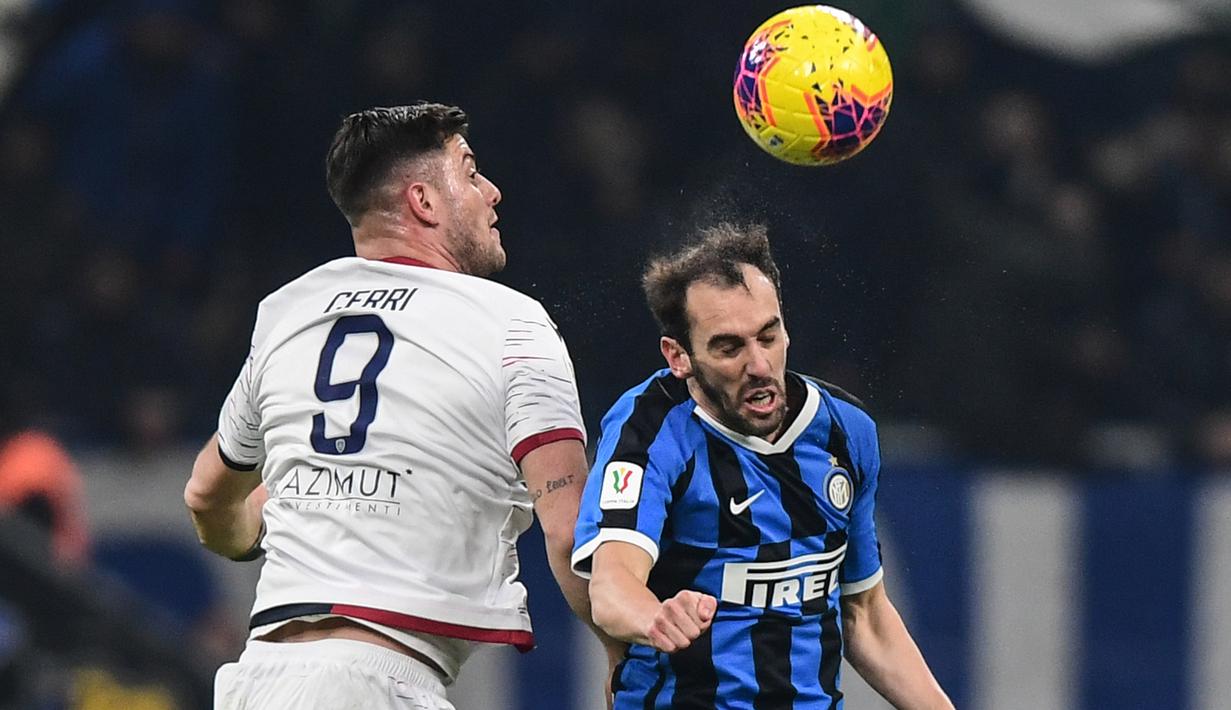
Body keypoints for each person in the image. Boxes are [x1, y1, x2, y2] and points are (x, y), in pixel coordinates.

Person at [184, 102, 601, 710]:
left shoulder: (285, 315)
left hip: (257, 681)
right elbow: (569, 536)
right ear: (424, 202)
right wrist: (625, 658)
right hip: (375, 684)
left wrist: (254, 536)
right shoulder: (511, 324)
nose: (493, 191)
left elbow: (205, 495)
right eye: (470, 170)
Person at [572, 223, 953, 709]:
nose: (758, 365)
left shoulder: (845, 432)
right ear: (679, 357)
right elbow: (612, 584)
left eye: (768, 336)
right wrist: (655, 618)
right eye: (729, 347)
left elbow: (865, 615)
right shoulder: (650, 431)